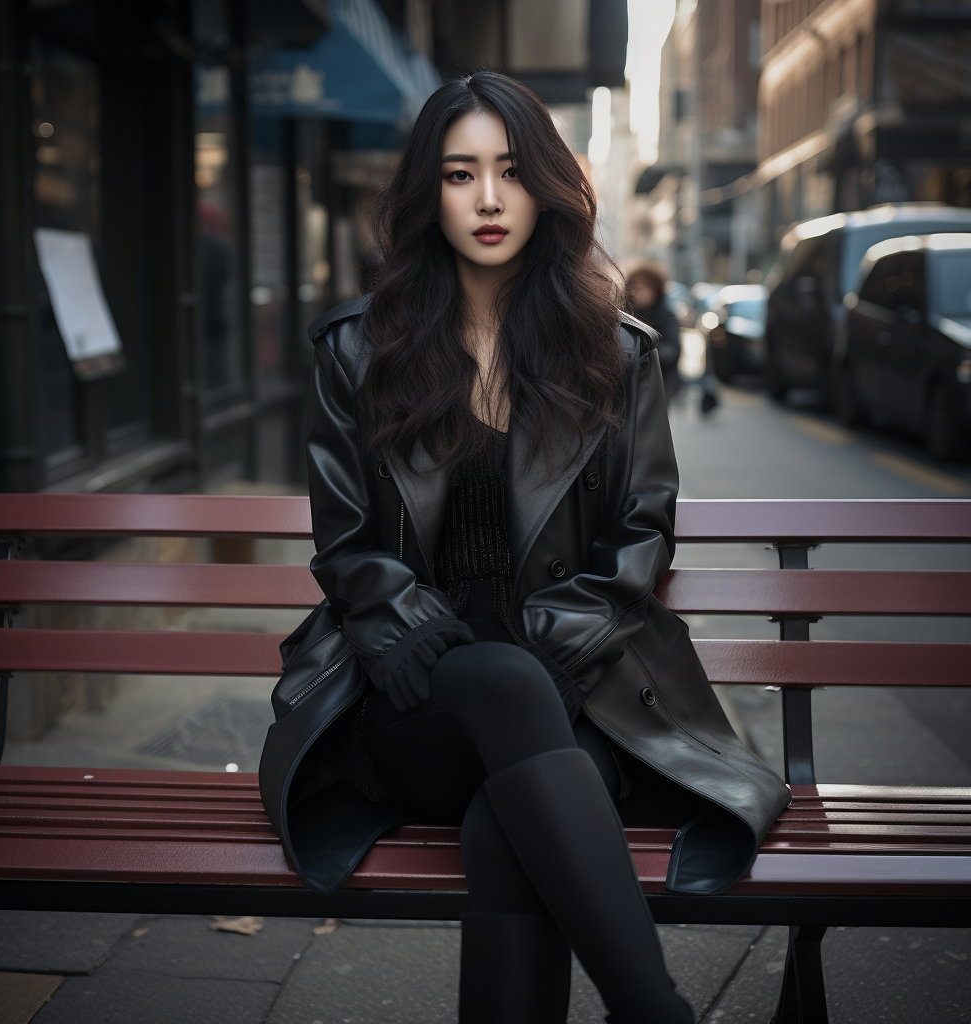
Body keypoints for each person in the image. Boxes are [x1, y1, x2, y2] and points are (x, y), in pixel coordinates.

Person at [259, 71, 789, 1024]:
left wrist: (561, 632)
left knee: (509, 816)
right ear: (430, 193)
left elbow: (643, 529)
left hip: (576, 691)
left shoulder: (615, 354)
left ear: (546, 185)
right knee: (502, 687)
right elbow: (343, 537)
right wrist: (389, 609)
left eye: (511, 171)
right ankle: (656, 1009)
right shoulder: (357, 352)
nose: (491, 199)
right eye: (462, 175)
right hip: (413, 691)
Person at [625, 263, 681, 402]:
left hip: (660, 384)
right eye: (636, 288)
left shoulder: (666, 315)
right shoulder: (625, 314)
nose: (640, 293)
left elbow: (673, 351)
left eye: (646, 288)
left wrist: (645, 350)